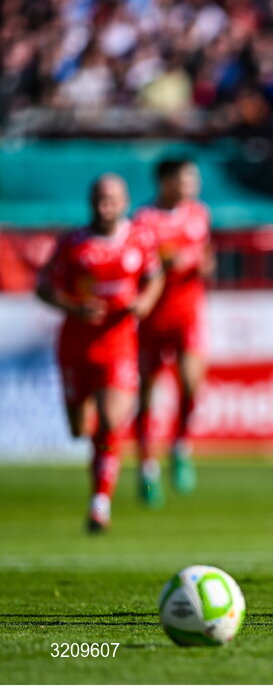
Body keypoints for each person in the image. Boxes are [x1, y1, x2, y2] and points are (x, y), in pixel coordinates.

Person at [36, 175, 164, 532]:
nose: (105, 206)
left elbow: (155, 276)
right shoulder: (73, 244)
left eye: (112, 199)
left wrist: (145, 301)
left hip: (119, 346)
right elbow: (44, 287)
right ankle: (100, 460)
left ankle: (99, 504)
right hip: (76, 347)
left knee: (110, 422)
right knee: (81, 429)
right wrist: (74, 308)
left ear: (125, 201)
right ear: (91, 202)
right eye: (99, 199)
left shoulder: (139, 238)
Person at [133, 159, 215, 504]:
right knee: (148, 394)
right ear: (166, 181)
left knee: (192, 384)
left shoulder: (198, 214)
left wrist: (204, 264)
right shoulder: (143, 220)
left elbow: (206, 257)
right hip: (152, 318)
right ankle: (147, 468)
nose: (192, 184)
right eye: (186, 178)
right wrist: (165, 262)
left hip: (187, 315)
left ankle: (180, 446)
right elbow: (137, 263)